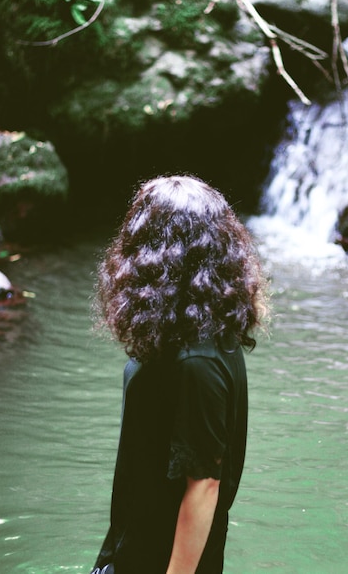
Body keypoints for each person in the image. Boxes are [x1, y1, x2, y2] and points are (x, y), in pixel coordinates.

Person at [90, 174, 267, 574]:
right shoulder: (190, 335)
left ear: (156, 251)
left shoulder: (198, 360)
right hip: (133, 546)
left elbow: (204, 484)